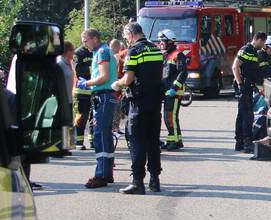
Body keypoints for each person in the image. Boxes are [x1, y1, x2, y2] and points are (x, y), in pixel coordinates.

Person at [112, 21, 165, 194]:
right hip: (155, 101)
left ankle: (137, 182)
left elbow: (128, 79)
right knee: (153, 142)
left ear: (131, 34)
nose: (126, 40)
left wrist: (117, 84)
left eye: (126, 36)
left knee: (137, 142)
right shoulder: (156, 49)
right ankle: (155, 180)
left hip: (139, 103)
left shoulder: (134, 51)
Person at [78, 27, 118, 188]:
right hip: (105, 96)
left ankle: (101, 175)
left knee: (100, 135)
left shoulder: (102, 52)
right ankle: (107, 173)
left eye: (85, 41)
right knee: (105, 135)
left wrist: (86, 83)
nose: (84, 45)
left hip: (104, 96)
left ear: (94, 38)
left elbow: (104, 77)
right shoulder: (102, 51)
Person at [232, 32, 266, 151]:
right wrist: (240, 84)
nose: (263, 46)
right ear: (258, 40)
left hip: (249, 86)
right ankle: (247, 143)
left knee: (242, 115)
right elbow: (235, 67)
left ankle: (240, 142)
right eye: (263, 43)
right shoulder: (246, 50)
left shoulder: (253, 52)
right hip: (244, 87)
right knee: (247, 116)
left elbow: (253, 71)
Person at [159, 29, 188, 150]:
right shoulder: (165, 55)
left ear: (170, 42)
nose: (161, 43)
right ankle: (176, 139)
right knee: (170, 116)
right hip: (167, 91)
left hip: (174, 91)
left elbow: (183, 73)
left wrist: (174, 88)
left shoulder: (178, 55)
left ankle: (174, 141)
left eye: (163, 41)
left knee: (170, 116)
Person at [73, 42, 94, 149]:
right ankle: (79, 142)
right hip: (81, 90)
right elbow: (77, 70)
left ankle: (92, 141)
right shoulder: (78, 53)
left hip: (94, 89)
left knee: (93, 117)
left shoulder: (95, 52)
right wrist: (91, 69)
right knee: (81, 116)